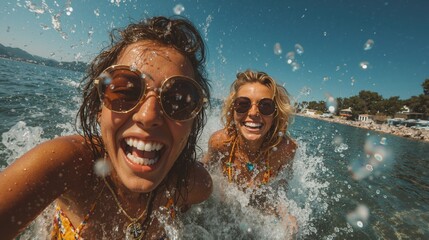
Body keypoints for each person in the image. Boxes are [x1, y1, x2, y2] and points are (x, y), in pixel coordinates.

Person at [0, 16, 212, 239]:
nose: (148, 116)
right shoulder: (68, 166)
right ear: (99, 109)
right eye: (125, 93)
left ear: (191, 123)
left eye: (178, 101)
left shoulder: (193, 185)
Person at [204, 70, 297, 187]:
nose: (253, 113)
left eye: (266, 106)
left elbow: (284, 186)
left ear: (275, 114)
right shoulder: (219, 142)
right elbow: (203, 175)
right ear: (233, 110)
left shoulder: (286, 149)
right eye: (243, 104)